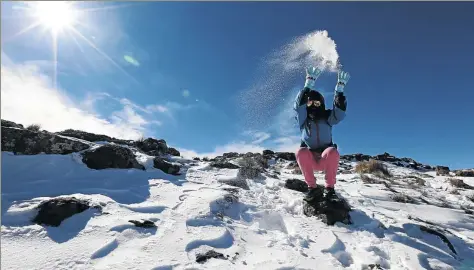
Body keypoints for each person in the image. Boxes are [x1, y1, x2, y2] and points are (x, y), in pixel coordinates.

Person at [293, 66, 350, 202]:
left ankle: (329, 189)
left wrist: (339, 92)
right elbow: (298, 107)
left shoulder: (328, 117)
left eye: (317, 102)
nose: (313, 105)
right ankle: (312, 188)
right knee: (300, 151)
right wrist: (307, 86)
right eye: (310, 102)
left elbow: (339, 114)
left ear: (322, 104)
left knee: (332, 151)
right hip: (310, 159)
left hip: (326, 160)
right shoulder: (303, 120)